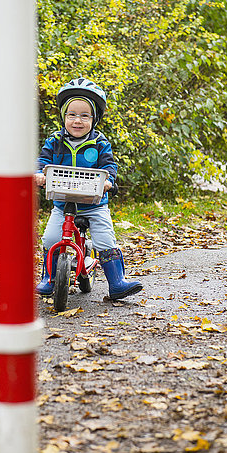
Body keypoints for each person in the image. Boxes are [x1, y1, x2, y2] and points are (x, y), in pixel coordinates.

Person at [34, 76, 143, 301]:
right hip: (63, 203)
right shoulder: (55, 141)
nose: (77, 120)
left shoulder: (100, 143)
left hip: (94, 204)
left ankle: (117, 283)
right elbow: (43, 160)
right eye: (72, 115)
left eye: (85, 116)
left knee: (105, 240)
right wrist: (38, 174)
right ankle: (49, 278)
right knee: (51, 237)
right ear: (64, 117)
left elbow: (109, 166)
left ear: (94, 119)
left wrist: (108, 181)